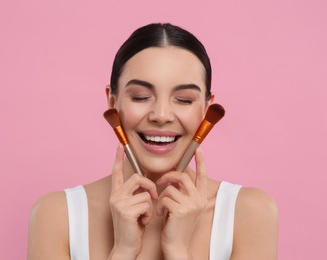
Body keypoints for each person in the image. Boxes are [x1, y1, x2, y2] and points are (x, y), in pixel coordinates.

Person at [27, 23, 278, 260]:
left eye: (184, 100)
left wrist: (178, 251)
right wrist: (123, 252)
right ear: (113, 102)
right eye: (140, 96)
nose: (161, 115)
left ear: (206, 108)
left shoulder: (249, 212)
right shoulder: (57, 215)